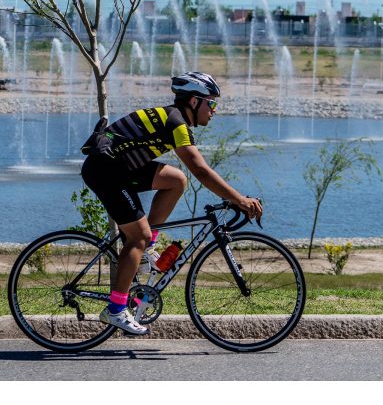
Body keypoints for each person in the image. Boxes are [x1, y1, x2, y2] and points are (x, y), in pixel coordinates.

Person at [80, 72, 263, 335]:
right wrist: (240, 200)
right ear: (193, 102)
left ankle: (147, 248)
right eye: (211, 104)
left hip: (121, 167)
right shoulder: (176, 122)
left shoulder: (175, 119)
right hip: (106, 171)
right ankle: (116, 309)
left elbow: (191, 173)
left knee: (176, 180)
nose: (214, 112)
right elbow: (200, 170)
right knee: (137, 236)